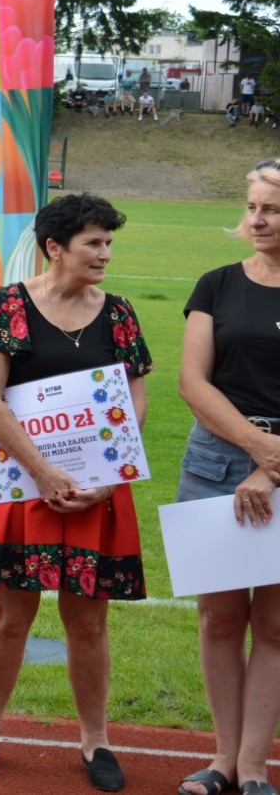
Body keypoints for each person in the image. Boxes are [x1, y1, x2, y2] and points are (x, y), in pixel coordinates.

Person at [0, 192, 151, 792]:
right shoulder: (10, 306)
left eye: (109, 243)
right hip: (23, 485)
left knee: (88, 623)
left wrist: (108, 477)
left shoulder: (119, 313)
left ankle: (96, 741)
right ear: (54, 247)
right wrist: (44, 471)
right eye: (94, 243)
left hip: (97, 491)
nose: (105, 254)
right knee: (11, 619)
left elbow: (134, 398)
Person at [173, 160, 280, 795]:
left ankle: (254, 767)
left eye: (273, 209)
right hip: (213, 462)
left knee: (274, 627)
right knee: (218, 620)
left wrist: (270, 470)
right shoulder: (216, 284)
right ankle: (222, 760)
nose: (257, 220)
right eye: (253, 207)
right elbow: (193, 383)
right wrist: (258, 448)